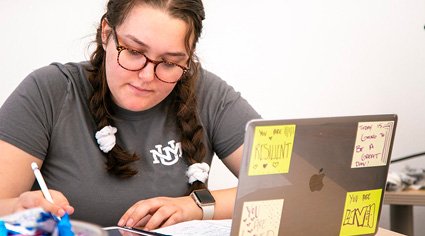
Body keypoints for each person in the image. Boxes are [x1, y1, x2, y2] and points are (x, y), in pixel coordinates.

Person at [0, 0, 260, 229]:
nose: (146, 77)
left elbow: (289, 187)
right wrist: (17, 209)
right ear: (106, 33)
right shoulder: (49, 92)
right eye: (134, 52)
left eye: (170, 63)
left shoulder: (209, 94)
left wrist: (196, 207)